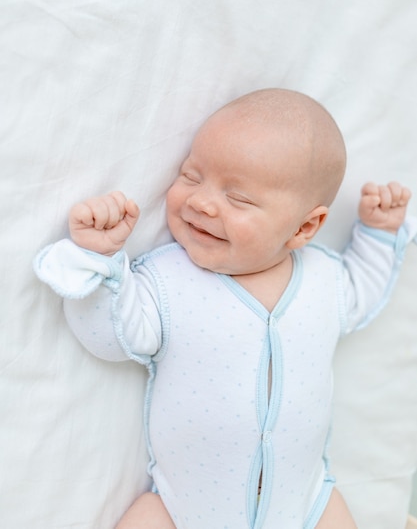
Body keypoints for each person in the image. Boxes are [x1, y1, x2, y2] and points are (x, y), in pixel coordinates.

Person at [34, 88, 414, 529]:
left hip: (307, 505)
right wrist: (99, 260)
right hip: (183, 510)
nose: (201, 201)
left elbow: (366, 287)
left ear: (305, 226)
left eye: (239, 198)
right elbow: (110, 337)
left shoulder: (326, 281)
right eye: (191, 176)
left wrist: (380, 233)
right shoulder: (167, 282)